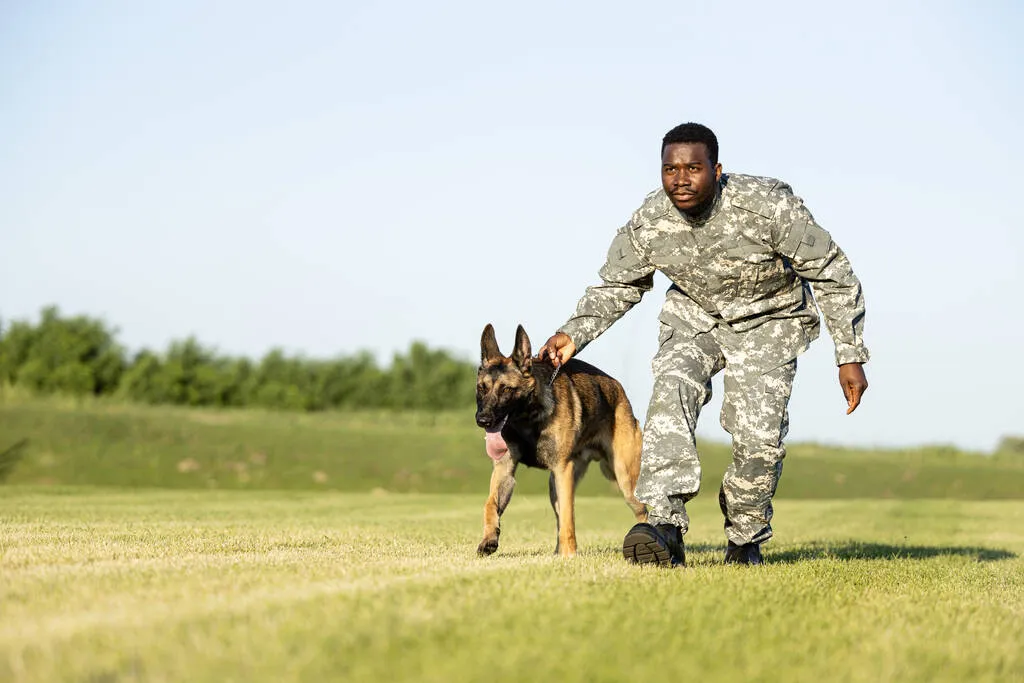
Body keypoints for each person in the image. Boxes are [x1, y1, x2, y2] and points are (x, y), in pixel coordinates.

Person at [538, 122, 869, 567]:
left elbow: (832, 272)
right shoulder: (651, 220)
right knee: (669, 395)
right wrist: (574, 332)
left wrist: (848, 353)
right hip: (695, 317)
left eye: (693, 168)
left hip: (770, 320)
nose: (680, 179)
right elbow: (617, 285)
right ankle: (664, 527)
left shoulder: (768, 206)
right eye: (670, 169)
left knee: (757, 436)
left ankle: (745, 539)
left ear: (716, 170)